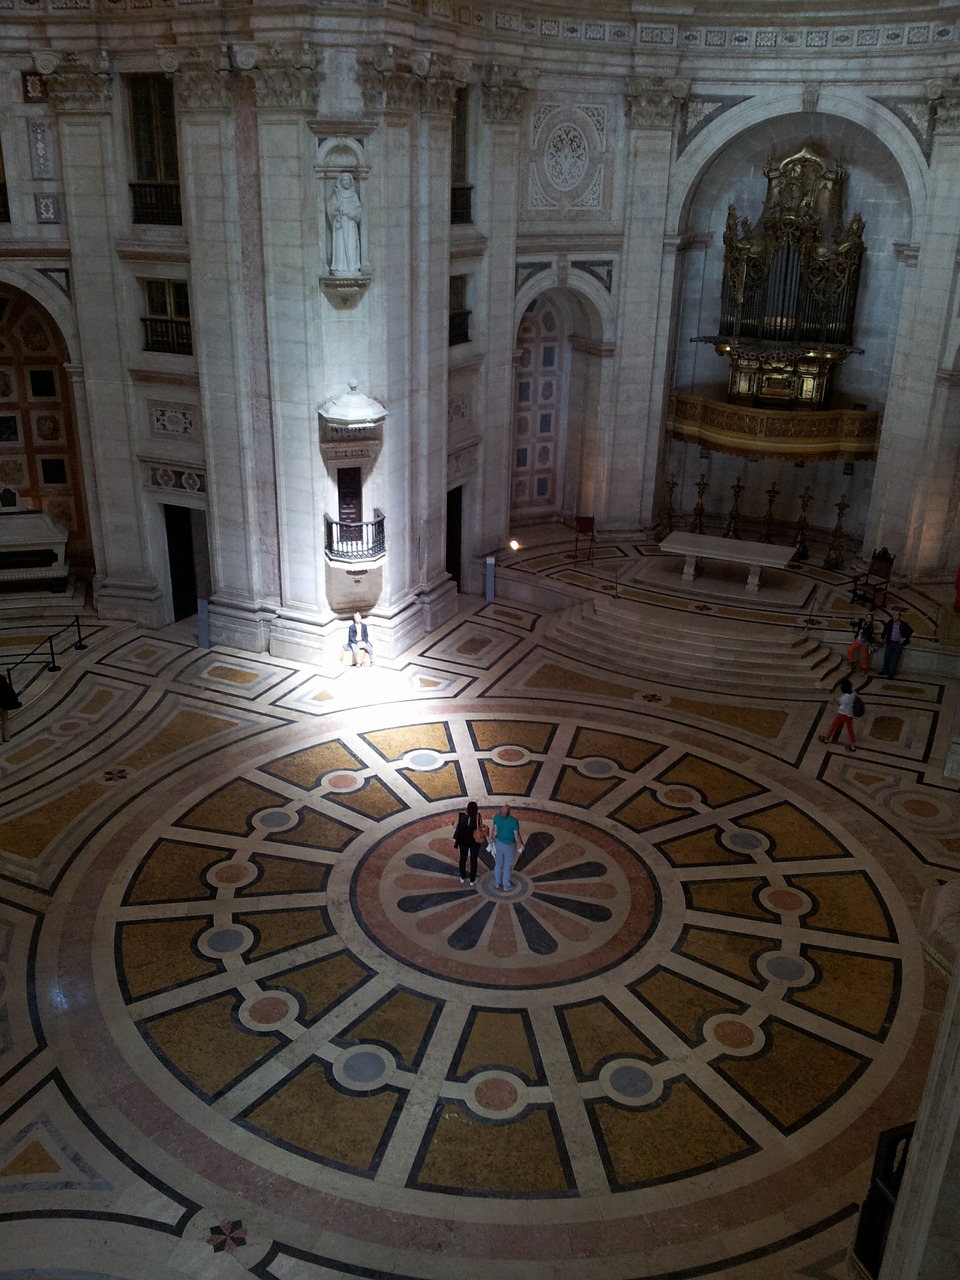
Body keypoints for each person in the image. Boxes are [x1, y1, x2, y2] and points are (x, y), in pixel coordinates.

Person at [327, 173, 362, 276]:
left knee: (351, 245)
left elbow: (359, 210)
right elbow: (330, 209)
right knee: (340, 247)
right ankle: (340, 267)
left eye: (348, 180)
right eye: (344, 180)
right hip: (340, 226)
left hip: (351, 225)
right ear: (340, 182)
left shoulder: (354, 195)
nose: (346, 182)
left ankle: (352, 267)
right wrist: (337, 209)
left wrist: (353, 214)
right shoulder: (336, 195)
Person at [491, 802, 524, 892]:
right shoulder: (514, 821)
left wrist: (493, 839)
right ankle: (506, 885)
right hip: (509, 845)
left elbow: (495, 831)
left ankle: (497, 883)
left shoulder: (497, 817)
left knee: (498, 863)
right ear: (509, 812)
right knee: (507, 866)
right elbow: (516, 835)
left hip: (499, 843)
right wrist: (521, 844)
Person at [819, 677, 858, 752]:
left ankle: (827, 738)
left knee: (834, 725)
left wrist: (836, 702)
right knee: (850, 729)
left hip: (843, 714)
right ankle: (852, 745)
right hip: (850, 714)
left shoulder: (844, 697)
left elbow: (842, 706)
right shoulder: (853, 693)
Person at [452, 801, 486, 885]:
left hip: (463, 841)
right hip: (474, 841)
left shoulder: (460, 815)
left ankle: (462, 877)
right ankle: (472, 880)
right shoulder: (478, 816)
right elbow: (481, 827)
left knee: (463, 858)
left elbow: (454, 826)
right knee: (473, 860)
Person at [879, 607, 913, 678]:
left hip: (898, 644)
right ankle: (885, 670)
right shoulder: (890, 622)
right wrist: (882, 637)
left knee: (894, 658)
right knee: (887, 657)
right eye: (893, 614)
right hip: (890, 642)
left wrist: (904, 638)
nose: (894, 616)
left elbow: (910, 631)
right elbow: (885, 629)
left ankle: (891, 673)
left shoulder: (903, 624)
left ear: (899, 616)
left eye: (896, 615)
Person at [0, 672, 20, 742]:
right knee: (5, 721)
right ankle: (7, 737)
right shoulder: (2, 678)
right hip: (4, 704)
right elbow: (9, 690)